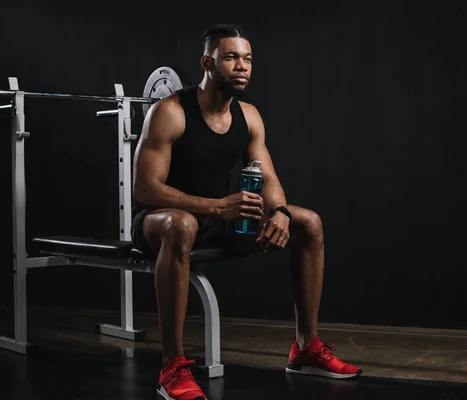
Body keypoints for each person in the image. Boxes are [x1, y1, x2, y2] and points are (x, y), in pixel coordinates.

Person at [131, 24, 361, 400]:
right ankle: (172, 366)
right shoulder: (170, 112)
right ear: (207, 62)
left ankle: (306, 346)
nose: (243, 66)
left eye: (248, 58)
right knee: (181, 224)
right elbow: (145, 191)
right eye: (232, 57)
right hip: (160, 221)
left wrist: (282, 212)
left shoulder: (249, 116)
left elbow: (267, 176)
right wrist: (216, 206)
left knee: (309, 223)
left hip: (220, 219)